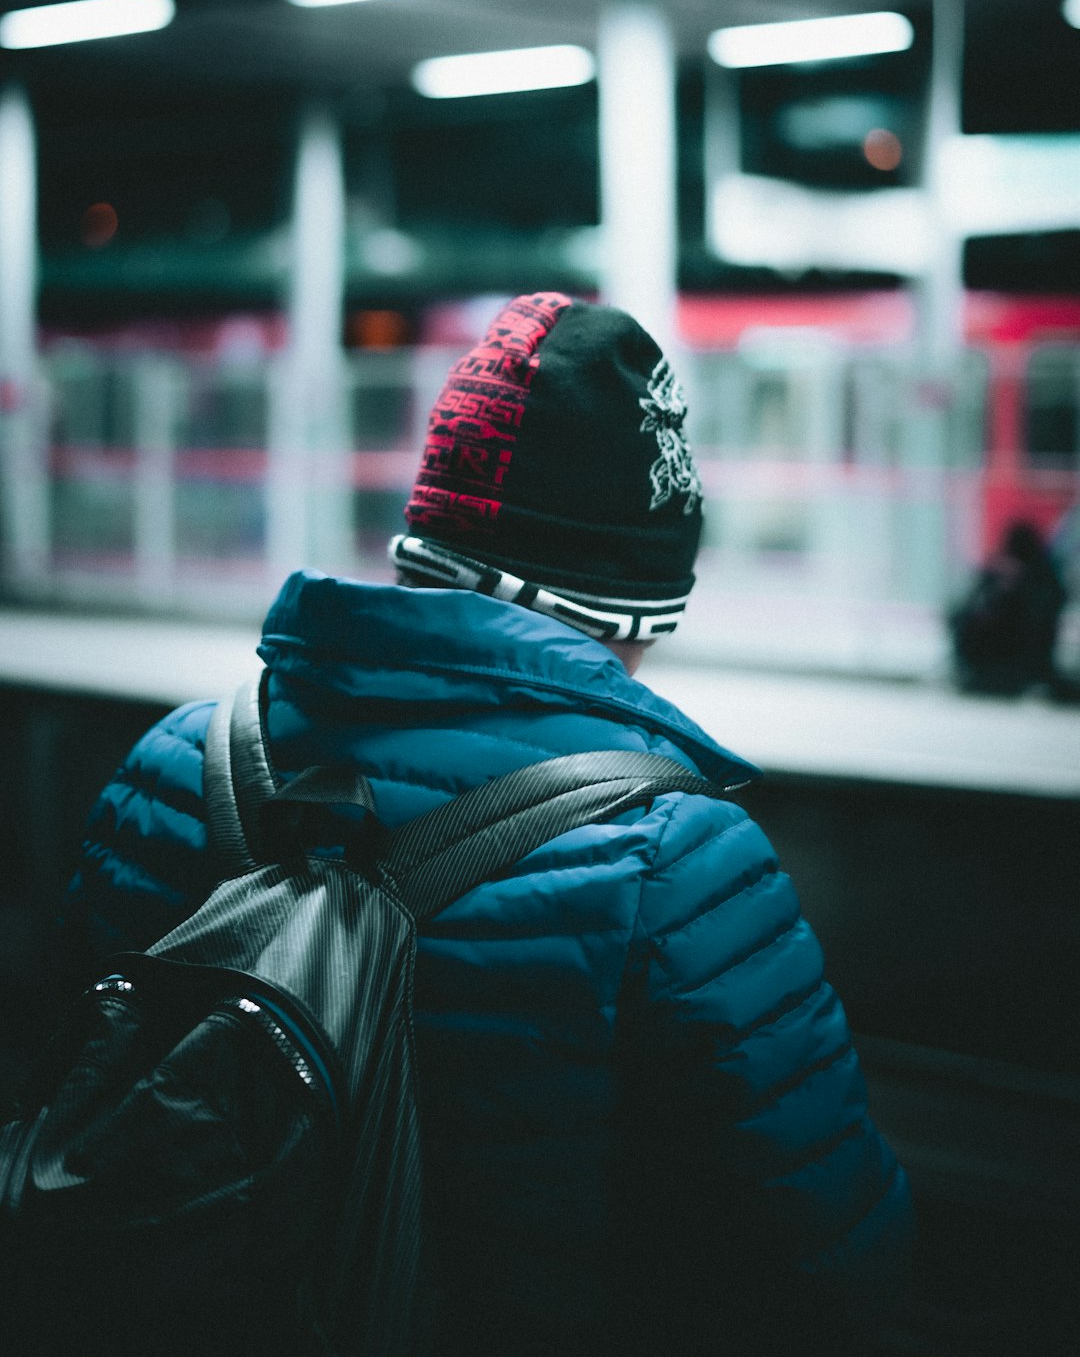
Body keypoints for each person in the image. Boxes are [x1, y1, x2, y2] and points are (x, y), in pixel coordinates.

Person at [61, 292, 912, 1355]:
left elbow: (67, 1089)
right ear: (630, 610)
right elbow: (828, 1256)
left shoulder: (174, 765)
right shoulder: (673, 859)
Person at [948, 518, 1069, 698]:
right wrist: (997, 591)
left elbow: (1043, 614)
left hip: (1021, 650)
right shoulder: (995, 572)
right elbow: (966, 608)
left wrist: (1018, 587)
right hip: (989, 648)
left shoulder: (1042, 576)